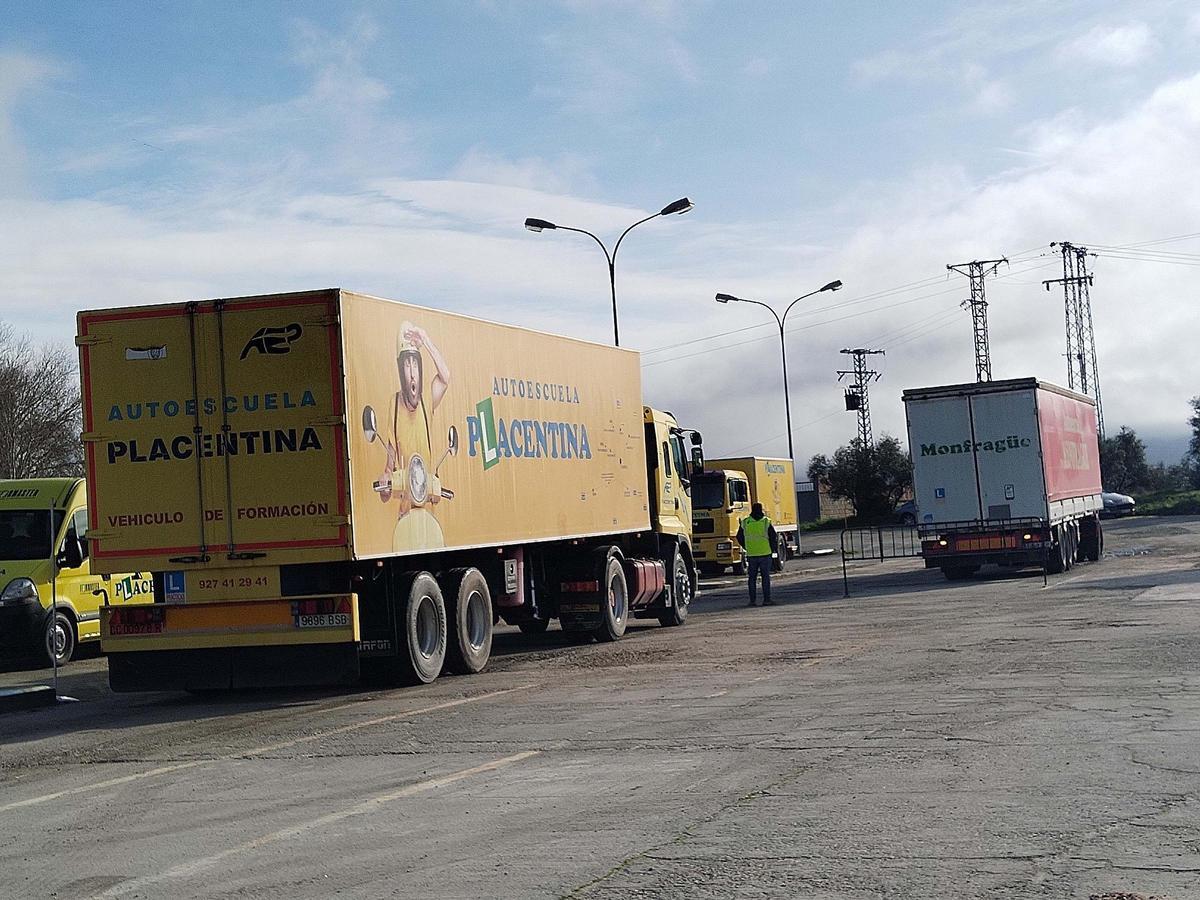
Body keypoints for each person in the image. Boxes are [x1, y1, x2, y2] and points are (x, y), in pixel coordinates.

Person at [377, 321, 452, 549]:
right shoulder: (394, 404)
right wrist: (386, 477)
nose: (412, 373)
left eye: (415, 365)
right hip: (406, 507)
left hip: (426, 499)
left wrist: (425, 341)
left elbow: (445, 377)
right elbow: (391, 454)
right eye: (407, 365)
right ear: (401, 370)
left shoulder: (427, 399)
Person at [736, 502, 778, 607]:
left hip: (752, 554)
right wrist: (772, 549)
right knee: (765, 578)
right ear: (761, 510)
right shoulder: (766, 522)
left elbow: (739, 537)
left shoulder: (745, 522)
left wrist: (746, 546)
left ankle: (752, 601)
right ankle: (767, 600)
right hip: (765, 553)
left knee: (752, 579)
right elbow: (773, 537)